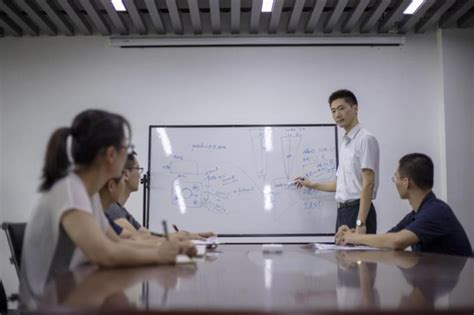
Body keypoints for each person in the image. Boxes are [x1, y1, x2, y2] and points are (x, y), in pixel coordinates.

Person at [21, 109, 196, 298]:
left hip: (71, 295)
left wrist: (169, 248)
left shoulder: (89, 194)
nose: (129, 158)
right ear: (111, 154)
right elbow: (106, 254)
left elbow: (117, 242)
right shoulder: (69, 191)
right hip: (46, 306)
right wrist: (160, 255)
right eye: (127, 149)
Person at [336, 153, 472, 257]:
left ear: (406, 182)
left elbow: (397, 241)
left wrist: (354, 237)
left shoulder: (437, 211)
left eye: (395, 178)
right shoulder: (416, 214)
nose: (394, 182)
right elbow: (389, 238)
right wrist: (353, 235)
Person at [295, 89, 379, 234]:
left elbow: (368, 183)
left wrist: (360, 222)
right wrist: (310, 184)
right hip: (343, 211)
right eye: (333, 111)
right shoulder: (345, 143)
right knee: (341, 256)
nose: (337, 115)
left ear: (355, 109)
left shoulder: (365, 139)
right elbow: (341, 185)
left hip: (358, 211)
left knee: (359, 256)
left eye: (341, 109)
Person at [105, 151, 214, 241]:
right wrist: (179, 237)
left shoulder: (122, 211)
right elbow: (138, 239)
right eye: (138, 169)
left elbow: (148, 235)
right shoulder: (111, 208)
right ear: (126, 174)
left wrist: (188, 235)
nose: (140, 174)